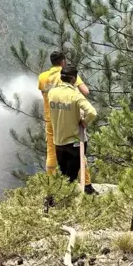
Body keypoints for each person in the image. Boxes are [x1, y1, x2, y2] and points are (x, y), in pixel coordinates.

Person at [38, 51, 97, 193]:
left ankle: (51, 187)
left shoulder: (43, 77)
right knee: (78, 150)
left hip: (51, 118)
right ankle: (86, 185)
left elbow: (44, 95)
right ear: (63, 62)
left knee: (52, 153)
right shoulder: (67, 75)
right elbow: (85, 91)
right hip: (68, 118)